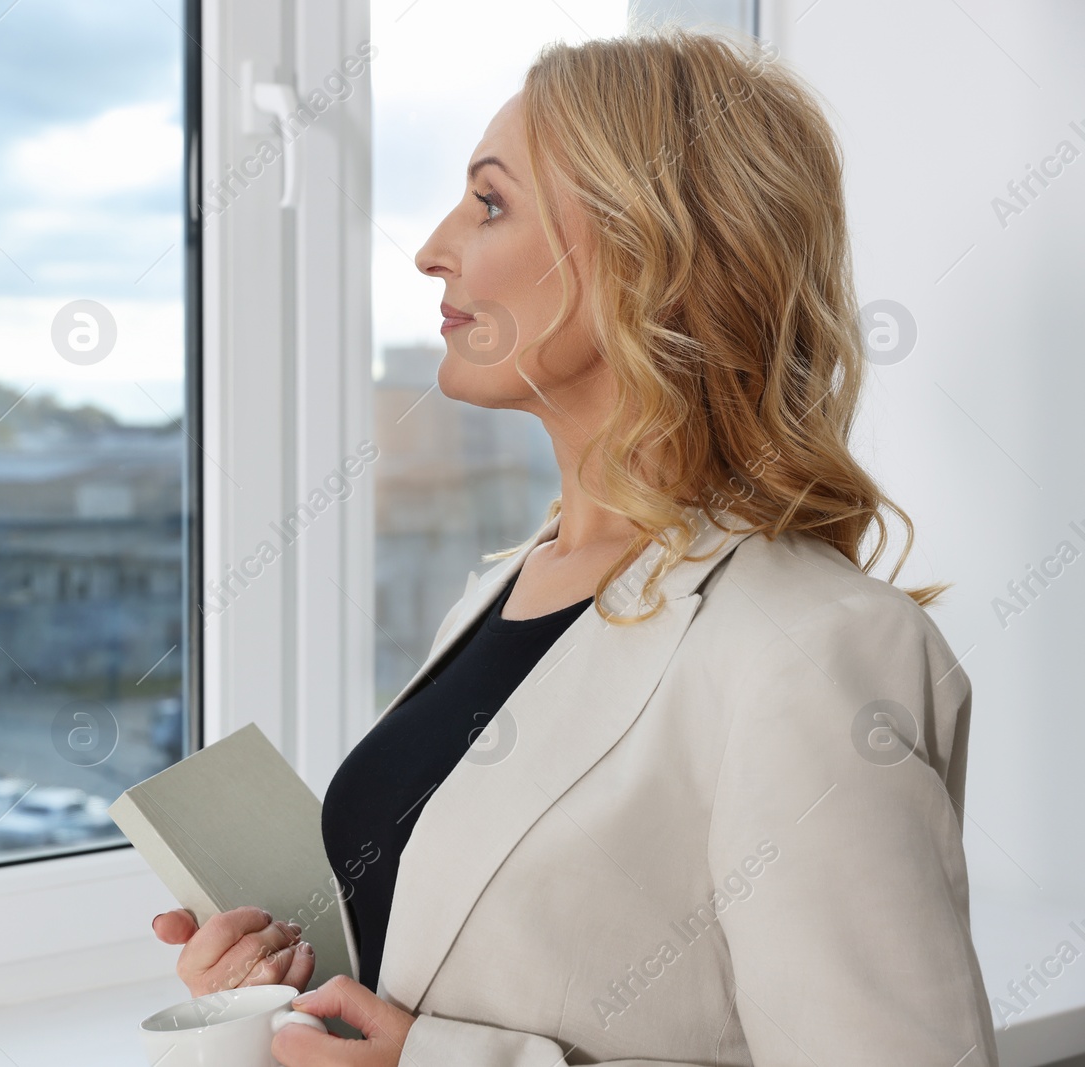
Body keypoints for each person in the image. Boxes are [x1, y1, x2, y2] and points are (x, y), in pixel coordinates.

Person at [151, 25, 996, 1067]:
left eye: (490, 201)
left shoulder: (813, 649)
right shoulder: (503, 590)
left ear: (652, 254)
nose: (431, 248)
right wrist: (275, 998)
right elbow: (449, 967)